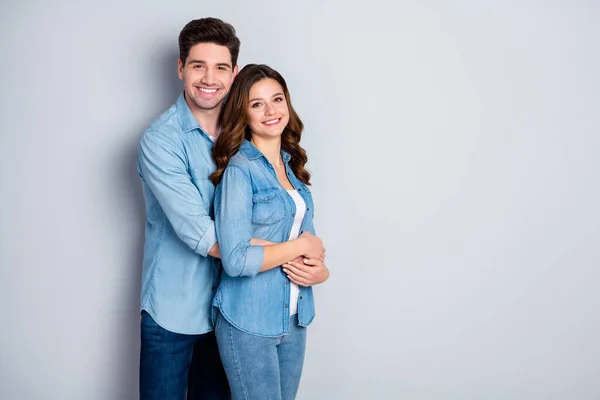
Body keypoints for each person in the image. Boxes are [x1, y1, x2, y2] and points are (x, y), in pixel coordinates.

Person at [210, 64, 330, 400]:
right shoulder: (240, 171)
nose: (271, 110)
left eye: (277, 99)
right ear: (243, 113)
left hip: (294, 316)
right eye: (257, 103)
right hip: (248, 317)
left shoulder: (293, 168)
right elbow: (234, 258)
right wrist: (299, 246)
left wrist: (321, 271)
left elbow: (311, 242)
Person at [136, 17, 239, 399]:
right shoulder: (160, 141)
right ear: (180, 68)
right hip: (172, 313)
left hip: (229, 312)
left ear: (234, 73)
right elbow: (200, 234)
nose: (209, 78)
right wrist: (286, 255)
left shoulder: (247, 134)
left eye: (220, 67)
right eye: (198, 65)